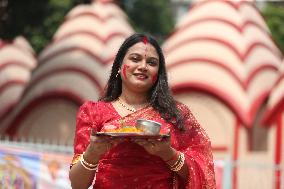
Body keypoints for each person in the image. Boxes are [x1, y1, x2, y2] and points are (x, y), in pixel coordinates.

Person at [69, 33, 216, 189]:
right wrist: (92, 153)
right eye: (135, 59)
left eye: (151, 62)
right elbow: (78, 185)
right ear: (119, 65)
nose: (143, 66)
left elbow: (201, 173)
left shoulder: (176, 114)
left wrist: (168, 153)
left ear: (159, 73)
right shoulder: (93, 112)